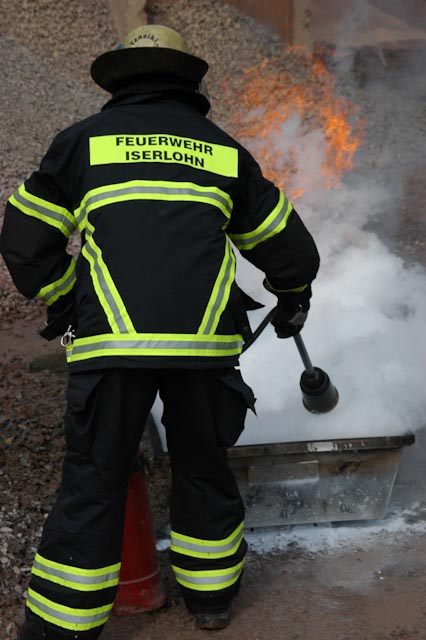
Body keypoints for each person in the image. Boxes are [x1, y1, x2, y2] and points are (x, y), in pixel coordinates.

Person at [0, 24, 320, 638]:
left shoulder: (82, 144)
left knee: (95, 480)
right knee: (203, 468)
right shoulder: (222, 150)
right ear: (186, 80)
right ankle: (211, 601)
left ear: (119, 80)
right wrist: (293, 297)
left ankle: (62, 627)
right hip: (204, 352)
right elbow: (289, 248)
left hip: (112, 347)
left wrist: (69, 301)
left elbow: (24, 245)